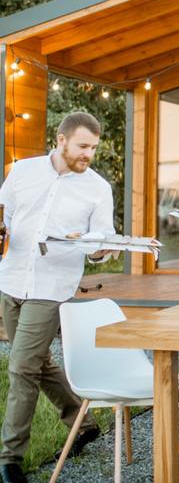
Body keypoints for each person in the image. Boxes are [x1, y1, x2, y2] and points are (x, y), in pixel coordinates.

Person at [0, 112, 117, 483]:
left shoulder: (97, 188)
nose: (89, 155)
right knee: (37, 362)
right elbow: (5, 216)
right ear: (61, 139)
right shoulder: (22, 172)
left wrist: (100, 250)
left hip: (51, 288)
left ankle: (9, 458)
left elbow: (101, 239)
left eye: (94, 148)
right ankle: (82, 423)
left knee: (20, 367)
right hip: (12, 278)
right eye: (83, 146)